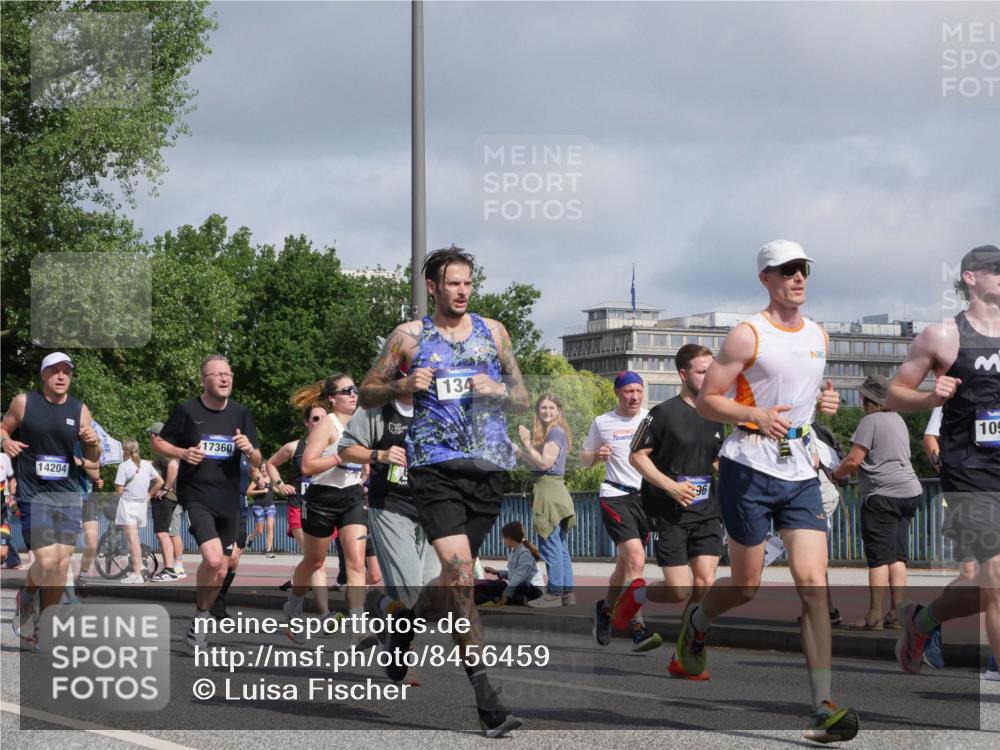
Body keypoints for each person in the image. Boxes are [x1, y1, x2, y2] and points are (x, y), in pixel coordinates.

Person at [678, 240, 859, 743]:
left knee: (813, 584)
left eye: (803, 269)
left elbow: (805, 394)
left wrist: (825, 402)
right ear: (766, 278)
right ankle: (698, 618)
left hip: (801, 469)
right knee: (748, 584)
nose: (798, 278)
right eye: (786, 271)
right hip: (748, 468)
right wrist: (754, 415)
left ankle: (822, 704)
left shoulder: (819, 334)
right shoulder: (746, 334)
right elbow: (709, 401)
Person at [359, 245, 530, 737]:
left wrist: (498, 391)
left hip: (489, 468)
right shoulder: (409, 338)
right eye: (452, 283)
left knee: (453, 588)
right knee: (458, 575)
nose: (462, 291)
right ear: (432, 287)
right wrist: (402, 384)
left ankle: (403, 623)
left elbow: (522, 396)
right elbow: (369, 390)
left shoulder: (493, 332)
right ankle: (486, 700)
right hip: (434, 469)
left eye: (468, 283)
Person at [888, 244, 1000, 681]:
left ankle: (922, 622)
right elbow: (894, 394)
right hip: (969, 467)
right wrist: (931, 397)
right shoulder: (943, 336)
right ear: (971, 277)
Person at [622, 344, 725, 676]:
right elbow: (636, 456)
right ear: (683, 374)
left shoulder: (717, 412)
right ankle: (636, 596)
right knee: (680, 588)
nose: (709, 376)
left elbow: (713, 457)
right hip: (669, 512)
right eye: (701, 371)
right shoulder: (663, 412)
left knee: (705, 583)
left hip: (708, 510)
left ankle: (686, 656)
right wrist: (670, 486)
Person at [152, 354, 261, 651]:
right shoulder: (187, 410)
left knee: (223, 569)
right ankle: (200, 619)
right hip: (197, 495)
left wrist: (249, 449)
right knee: (213, 559)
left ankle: (199, 618)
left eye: (228, 373)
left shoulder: (241, 413)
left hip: (230, 499)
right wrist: (182, 453)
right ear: (203, 379)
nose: (225, 378)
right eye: (218, 374)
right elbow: (158, 442)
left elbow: (257, 459)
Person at [2, 352, 103, 651]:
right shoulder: (24, 402)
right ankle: (29, 595)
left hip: (69, 493)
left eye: (66, 372)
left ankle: (43, 626)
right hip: (34, 493)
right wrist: (5, 441)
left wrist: (92, 441)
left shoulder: (80, 409)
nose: (61, 377)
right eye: (55, 371)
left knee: (60, 565)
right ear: (43, 375)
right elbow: (3, 427)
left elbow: (94, 459)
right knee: (46, 561)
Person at [339, 373, 441, 612]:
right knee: (411, 590)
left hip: (432, 507)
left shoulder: (436, 406)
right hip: (391, 505)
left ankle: (380, 605)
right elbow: (346, 449)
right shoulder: (376, 408)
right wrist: (379, 455)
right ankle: (398, 633)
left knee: (430, 596)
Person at [833, 375, 922, 630]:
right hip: (910, 492)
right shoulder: (898, 420)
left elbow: (853, 460)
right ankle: (895, 614)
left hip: (882, 496)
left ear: (867, 398)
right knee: (897, 557)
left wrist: (835, 475)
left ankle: (874, 615)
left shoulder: (870, 421)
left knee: (879, 558)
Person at [282, 373, 367, 640]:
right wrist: (340, 457)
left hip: (352, 496)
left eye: (355, 389)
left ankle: (358, 626)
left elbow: (365, 458)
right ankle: (294, 603)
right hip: (321, 499)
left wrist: (365, 467)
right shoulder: (327, 426)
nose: (353, 394)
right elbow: (307, 466)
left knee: (356, 563)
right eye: (347, 391)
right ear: (332, 398)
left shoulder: (362, 422)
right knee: (314, 560)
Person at [582, 371, 661, 652]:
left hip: (646, 499)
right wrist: (595, 456)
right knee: (637, 558)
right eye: (628, 391)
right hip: (614, 495)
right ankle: (638, 626)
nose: (634, 397)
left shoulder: (652, 419)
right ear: (618, 393)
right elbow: (584, 457)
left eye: (639, 391)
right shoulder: (603, 422)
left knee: (624, 565)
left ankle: (605, 609)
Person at [267, 403, 336, 606]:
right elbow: (270, 464)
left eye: (324, 419)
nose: (320, 422)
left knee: (314, 560)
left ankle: (294, 596)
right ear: (307, 422)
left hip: (325, 509)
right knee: (318, 562)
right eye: (315, 418)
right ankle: (325, 614)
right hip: (300, 506)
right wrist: (280, 484)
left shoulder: (334, 446)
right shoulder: (294, 447)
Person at [515, 393, 576, 607]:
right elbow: (539, 461)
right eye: (543, 408)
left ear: (558, 411)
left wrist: (526, 443)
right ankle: (567, 594)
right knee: (559, 546)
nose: (547, 411)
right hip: (555, 492)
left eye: (551, 407)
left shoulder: (555, 432)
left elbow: (544, 464)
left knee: (550, 545)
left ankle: (554, 594)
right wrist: (522, 453)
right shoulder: (556, 433)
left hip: (548, 495)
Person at [113, 439, 163, 584]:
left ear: (125, 450)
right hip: (141, 505)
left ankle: (137, 573)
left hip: (128, 505)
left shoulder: (124, 466)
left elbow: (119, 490)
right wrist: (149, 495)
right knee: (135, 539)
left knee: (132, 541)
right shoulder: (146, 465)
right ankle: (139, 567)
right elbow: (159, 481)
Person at [147, 421, 185, 582]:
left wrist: (166, 488)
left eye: (150, 435)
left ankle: (170, 569)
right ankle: (173, 567)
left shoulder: (164, 449)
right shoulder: (170, 449)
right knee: (166, 533)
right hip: (174, 497)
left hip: (167, 498)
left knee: (165, 533)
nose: (150, 438)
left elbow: (173, 467)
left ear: (155, 436)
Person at [477, 522, 545, 606]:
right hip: (518, 586)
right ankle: (500, 598)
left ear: (509, 538)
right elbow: (514, 574)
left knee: (517, 586)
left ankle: (516, 599)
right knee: (493, 585)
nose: (503, 541)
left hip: (532, 589)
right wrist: (497, 572)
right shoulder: (514, 551)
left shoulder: (525, 553)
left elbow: (519, 577)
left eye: (504, 538)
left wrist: (506, 595)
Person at [246, 466, 276, 556]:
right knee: (259, 531)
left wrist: (285, 491)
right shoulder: (257, 479)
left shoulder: (271, 480)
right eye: (262, 468)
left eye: (265, 468)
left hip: (270, 506)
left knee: (270, 527)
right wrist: (261, 491)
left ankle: (268, 550)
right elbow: (248, 491)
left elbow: (276, 489)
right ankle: (250, 538)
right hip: (258, 507)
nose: (264, 470)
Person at [1, 449, 23, 569]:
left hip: (3, 502)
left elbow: (12, 479)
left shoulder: (4, 457)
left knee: (4, 532)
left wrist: (12, 496)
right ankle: (14, 560)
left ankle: (14, 560)